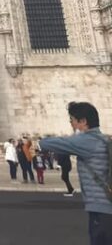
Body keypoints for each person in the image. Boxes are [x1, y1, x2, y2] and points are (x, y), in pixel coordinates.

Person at [40, 101, 112, 244]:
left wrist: (37, 144)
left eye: (72, 120)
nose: (71, 124)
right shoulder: (105, 139)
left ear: (83, 121)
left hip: (101, 208)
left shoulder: (86, 140)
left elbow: (50, 143)